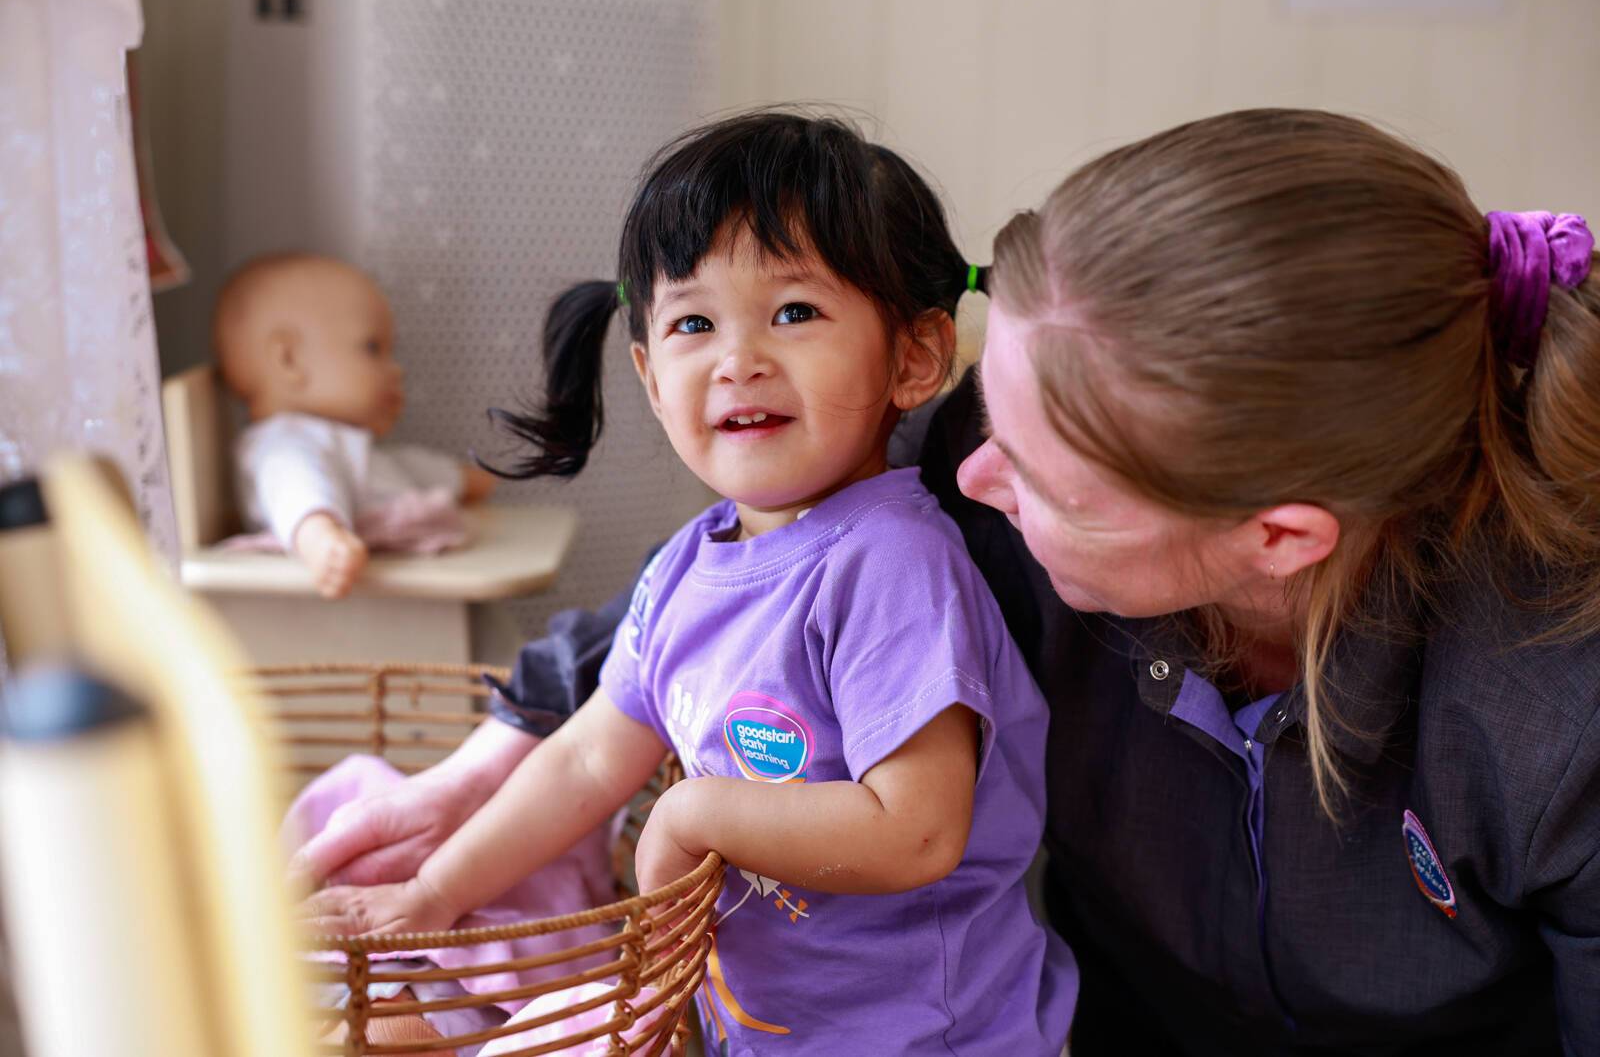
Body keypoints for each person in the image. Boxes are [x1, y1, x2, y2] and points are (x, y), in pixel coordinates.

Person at [297, 108, 1600, 1054]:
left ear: (1279, 537)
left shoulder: (1553, 716)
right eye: (984, 419)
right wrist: (469, 793)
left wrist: (690, 812)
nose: (967, 476)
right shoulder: (973, 472)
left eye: (1040, 476)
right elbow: (708, 608)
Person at [302, 111, 1077, 1056]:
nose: (737, 360)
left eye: (795, 312)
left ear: (912, 358)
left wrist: (694, 812)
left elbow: (916, 832)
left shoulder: (891, 564)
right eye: (694, 324)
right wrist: (430, 893)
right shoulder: (683, 567)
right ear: (650, 376)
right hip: (745, 1025)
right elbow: (585, 761)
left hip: (918, 1039)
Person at [214, 253, 497, 599]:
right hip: (374, 597)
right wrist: (321, 539)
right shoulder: (284, 445)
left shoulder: (336, 442)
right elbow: (296, 491)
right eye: (372, 348)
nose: (397, 370)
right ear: (288, 359)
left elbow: (391, 468)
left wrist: (457, 478)